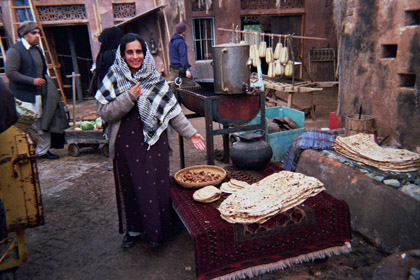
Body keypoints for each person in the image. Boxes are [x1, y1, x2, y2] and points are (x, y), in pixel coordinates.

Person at [95, 33, 205, 248]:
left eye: (139, 51)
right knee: (130, 185)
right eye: (130, 52)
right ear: (123, 54)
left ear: (144, 54)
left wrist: (191, 132)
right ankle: (134, 231)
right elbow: (105, 113)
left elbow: (173, 112)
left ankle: (158, 231)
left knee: (155, 186)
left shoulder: (154, 79)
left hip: (155, 143)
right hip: (127, 144)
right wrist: (129, 97)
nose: (135, 56)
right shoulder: (113, 77)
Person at [6, 21, 68, 159]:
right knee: (27, 124)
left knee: (43, 122)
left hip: (40, 93)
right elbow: (11, 73)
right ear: (24, 35)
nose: (37, 36)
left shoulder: (37, 49)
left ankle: (43, 151)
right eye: (33, 33)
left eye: (38, 33)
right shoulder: (15, 51)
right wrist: (32, 80)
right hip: (24, 95)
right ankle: (27, 152)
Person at [168, 22, 196, 87]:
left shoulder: (172, 41)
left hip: (173, 68)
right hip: (181, 69)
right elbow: (183, 57)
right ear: (183, 32)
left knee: (171, 86)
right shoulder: (180, 42)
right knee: (191, 85)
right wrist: (187, 70)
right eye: (185, 30)